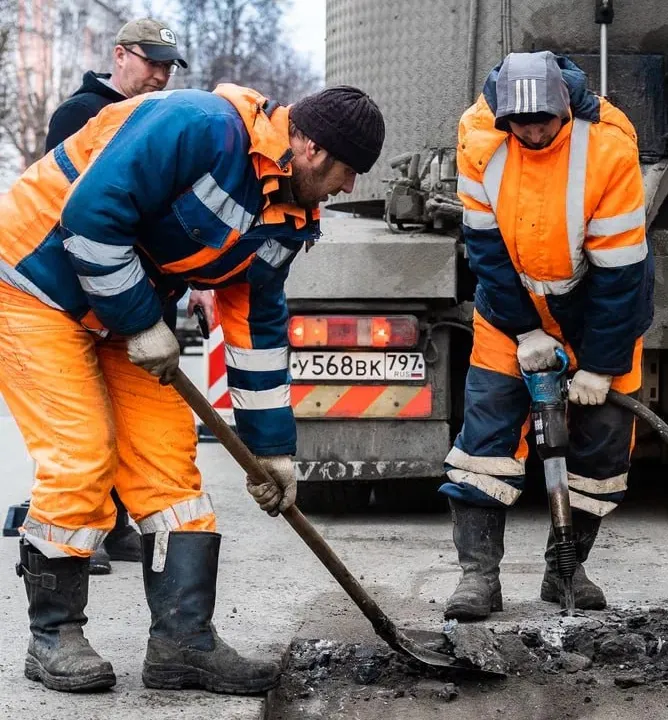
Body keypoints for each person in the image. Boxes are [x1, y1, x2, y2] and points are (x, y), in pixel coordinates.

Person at [0, 82, 384, 693]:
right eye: (347, 171)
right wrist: (141, 323)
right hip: (34, 284)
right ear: (310, 147)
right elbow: (90, 219)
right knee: (82, 455)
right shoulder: (198, 125)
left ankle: (183, 644)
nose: (348, 189)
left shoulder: (288, 216)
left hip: (122, 309)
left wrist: (272, 451)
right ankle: (53, 637)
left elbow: (256, 328)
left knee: (171, 473)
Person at [440, 51, 654, 621]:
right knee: (484, 441)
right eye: (520, 122)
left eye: (543, 121)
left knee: (603, 445)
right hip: (510, 312)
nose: (532, 132)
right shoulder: (478, 135)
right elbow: (484, 247)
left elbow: (622, 270)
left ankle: (566, 570)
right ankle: (478, 579)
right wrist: (526, 329)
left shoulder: (608, 142)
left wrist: (601, 365)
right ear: (503, 115)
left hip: (598, 309)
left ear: (564, 107)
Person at [42, 16, 218, 577]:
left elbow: (171, 217)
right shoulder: (78, 115)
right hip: (89, 297)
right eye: (152, 62)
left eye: (169, 65)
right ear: (120, 56)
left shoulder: (162, 119)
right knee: (90, 423)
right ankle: (82, 536)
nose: (162, 75)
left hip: (147, 297)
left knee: (140, 420)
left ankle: (119, 527)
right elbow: (76, 212)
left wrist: (193, 283)